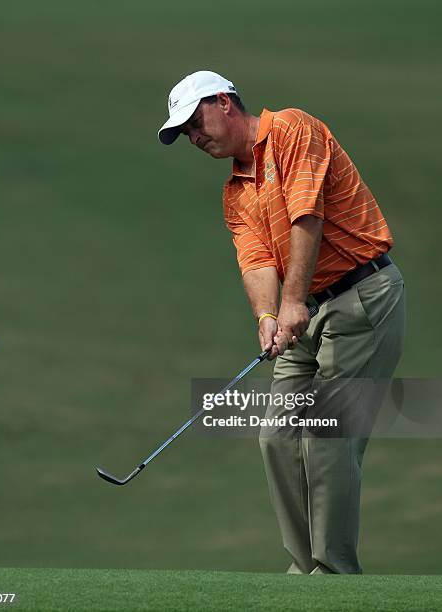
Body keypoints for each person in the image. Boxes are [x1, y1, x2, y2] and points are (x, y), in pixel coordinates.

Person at [158, 70, 405, 574]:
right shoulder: (235, 195)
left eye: (195, 121)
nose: (193, 136)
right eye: (184, 132)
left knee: (326, 437)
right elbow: (256, 262)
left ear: (224, 102)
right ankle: (306, 567)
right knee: (277, 435)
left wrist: (292, 303)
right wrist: (268, 316)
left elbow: (306, 218)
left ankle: (334, 572)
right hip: (305, 309)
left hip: (361, 298)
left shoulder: (294, 129)